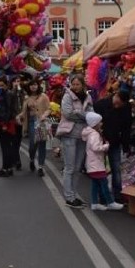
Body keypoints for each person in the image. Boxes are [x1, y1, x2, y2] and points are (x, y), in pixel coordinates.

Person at [54, 74, 94, 209]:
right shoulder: (67, 96)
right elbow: (67, 113)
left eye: (78, 84)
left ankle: (74, 194)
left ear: (83, 85)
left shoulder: (88, 97)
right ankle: (69, 197)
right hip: (69, 134)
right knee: (69, 167)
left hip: (82, 135)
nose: (75, 87)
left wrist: (80, 114)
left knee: (78, 168)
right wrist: (84, 116)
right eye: (73, 84)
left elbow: (92, 114)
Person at [93, 89, 133, 202]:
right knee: (100, 170)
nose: (117, 105)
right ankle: (102, 196)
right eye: (117, 102)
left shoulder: (126, 108)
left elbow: (127, 128)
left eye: (120, 105)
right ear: (116, 95)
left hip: (115, 142)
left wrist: (126, 146)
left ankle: (118, 195)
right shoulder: (101, 104)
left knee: (116, 169)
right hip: (100, 142)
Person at [81, 112, 123, 211]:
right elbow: (95, 147)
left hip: (92, 163)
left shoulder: (90, 133)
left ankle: (94, 203)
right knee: (103, 183)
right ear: (95, 123)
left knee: (95, 184)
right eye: (100, 122)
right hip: (96, 163)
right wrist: (105, 146)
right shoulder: (94, 134)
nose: (102, 123)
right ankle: (110, 202)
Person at [21, 78, 51, 177]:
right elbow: (24, 112)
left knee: (42, 143)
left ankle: (41, 166)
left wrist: (44, 115)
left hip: (41, 122)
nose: (33, 86)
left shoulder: (44, 96)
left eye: (35, 84)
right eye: (31, 85)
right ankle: (31, 159)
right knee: (33, 144)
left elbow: (49, 109)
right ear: (29, 87)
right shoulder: (27, 97)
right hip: (31, 122)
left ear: (38, 86)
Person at [0, 76, 19, 178]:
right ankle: (8, 168)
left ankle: (6, 168)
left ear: (6, 85)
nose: (0, 87)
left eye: (2, 85)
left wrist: (4, 123)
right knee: (7, 146)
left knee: (6, 146)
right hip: (5, 122)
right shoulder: (4, 94)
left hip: (6, 123)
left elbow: (8, 109)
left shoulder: (7, 94)